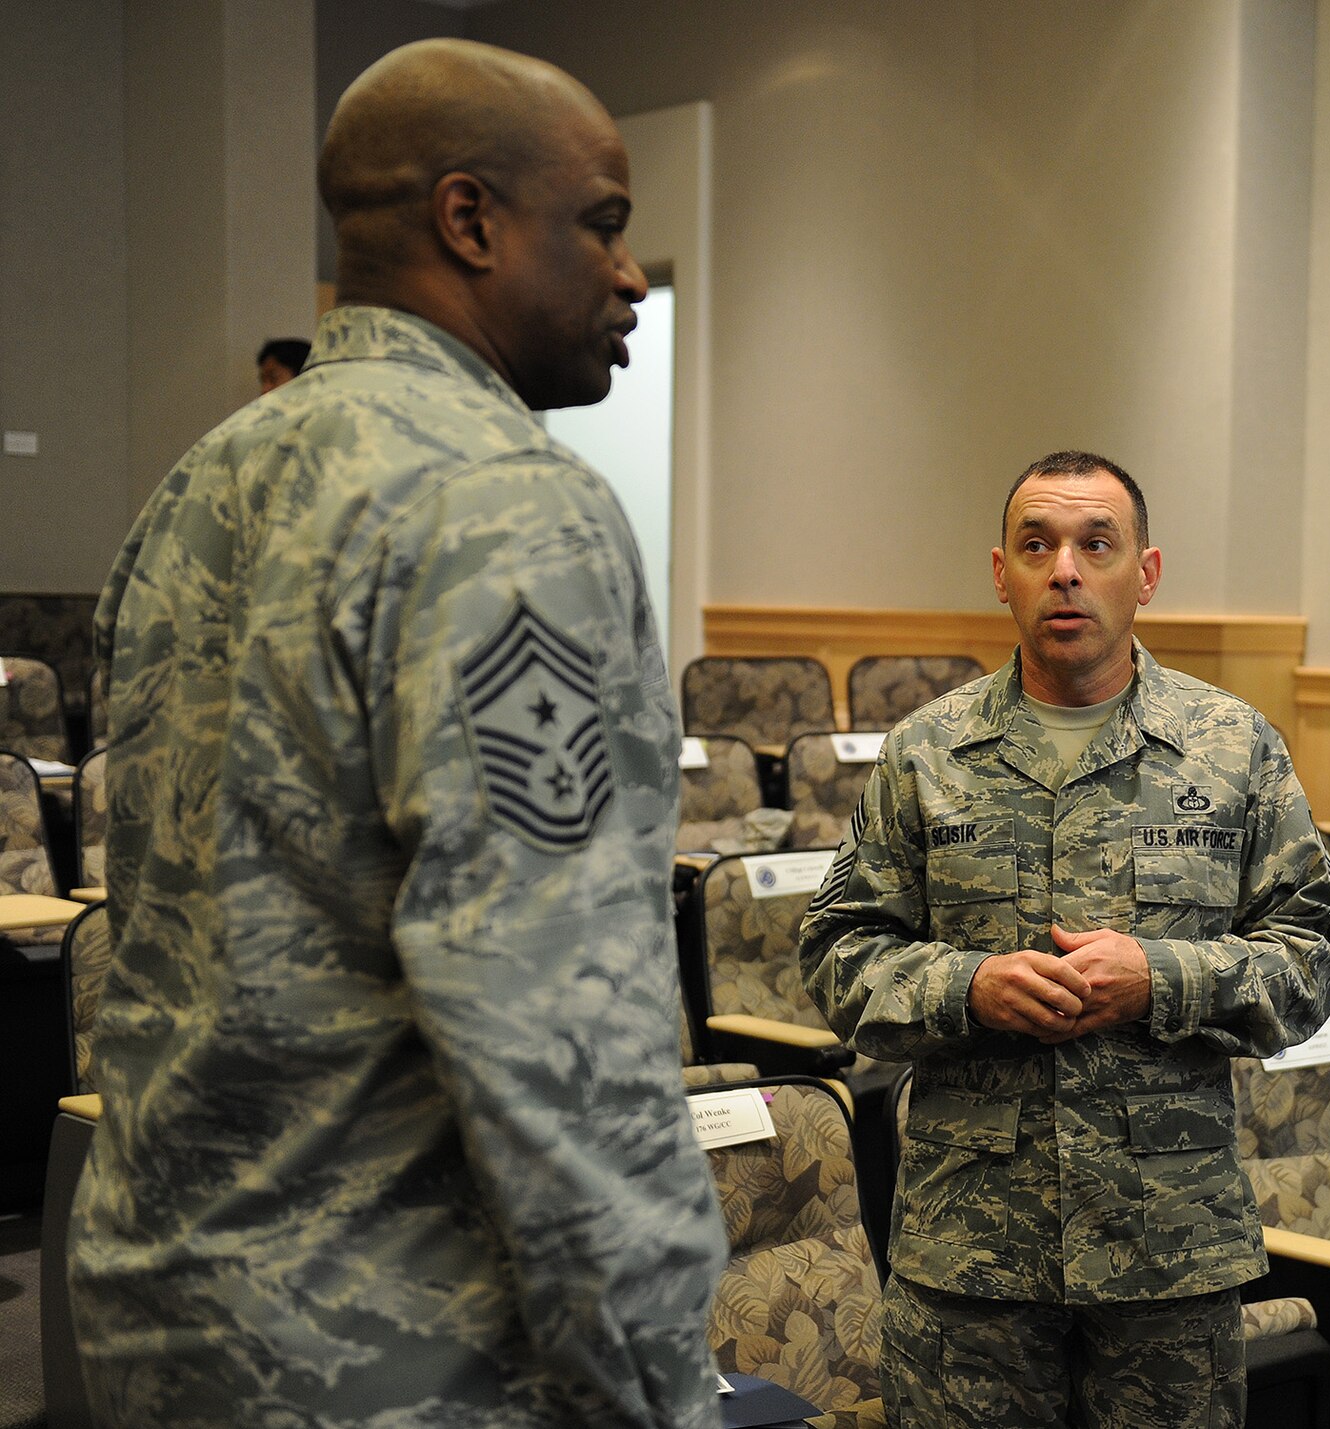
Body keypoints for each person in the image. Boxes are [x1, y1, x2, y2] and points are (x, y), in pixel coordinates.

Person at [73, 38, 727, 1428]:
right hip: (410, 1358)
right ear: (469, 219)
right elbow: (554, 1017)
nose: (627, 274)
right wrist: (662, 1371)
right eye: (603, 223)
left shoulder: (207, 477)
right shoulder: (505, 499)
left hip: (168, 1320)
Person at [798, 450, 1330, 1427]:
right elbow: (837, 953)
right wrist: (964, 989)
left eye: (1094, 544)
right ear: (999, 572)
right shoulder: (924, 752)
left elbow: (1317, 954)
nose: (1064, 569)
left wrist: (1166, 977)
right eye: (1036, 544)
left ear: (1142, 573)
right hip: (969, 1259)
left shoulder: (1231, 746)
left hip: (1168, 1257)